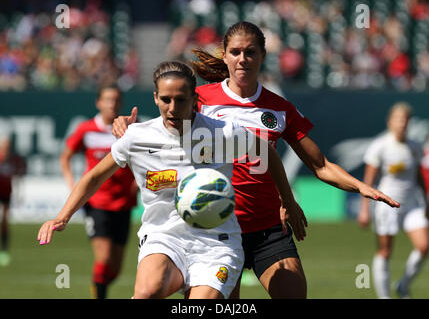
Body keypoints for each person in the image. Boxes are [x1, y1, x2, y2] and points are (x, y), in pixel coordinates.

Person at [112, 21, 400, 299]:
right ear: (223, 55)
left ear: (262, 56)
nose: (243, 59)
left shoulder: (279, 108)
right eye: (235, 52)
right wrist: (125, 125)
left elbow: (320, 165)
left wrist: (360, 186)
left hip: (268, 228)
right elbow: (160, 129)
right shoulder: (198, 98)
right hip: (215, 229)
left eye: (250, 52)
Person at [38, 61, 304, 299]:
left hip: (216, 243)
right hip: (163, 236)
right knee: (147, 291)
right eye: (166, 99)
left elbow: (266, 151)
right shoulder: (137, 136)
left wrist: (288, 200)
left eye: (181, 100)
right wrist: (62, 216)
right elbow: (95, 175)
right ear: (155, 98)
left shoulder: (222, 133)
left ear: (194, 99)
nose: (173, 108)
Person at [59, 85, 137, 299]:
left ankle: (98, 286)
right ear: (98, 103)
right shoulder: (86, 129)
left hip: (124, 203)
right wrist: (72, 183)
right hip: (97, 203)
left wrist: (138, 183)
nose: (111, 104)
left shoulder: (131, 129)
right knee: (103, 259)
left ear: (120, 103)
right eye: (107, 99)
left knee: (116, 268)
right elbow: (65, 156)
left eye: (116, 100)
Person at [358, 102, 429, 299]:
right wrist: (364, 209)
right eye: (398, 119)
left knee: (424, 246)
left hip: (412, 205)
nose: (402, 124)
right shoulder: (380, 146)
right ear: (390, 122)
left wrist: (426, 201)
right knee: (385, 251)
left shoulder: (415, 146)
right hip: (387, 205)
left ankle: (403, 285)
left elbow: (418, 178)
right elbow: (368, 180)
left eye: (405, 120)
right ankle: (384, 297)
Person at [0, 136, 26, 266]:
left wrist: (19, 194)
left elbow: (18, 177)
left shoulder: (13, 160)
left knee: (4, 221)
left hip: (6, 193)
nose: (6, 148)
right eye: (4, 146)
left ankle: (4, 250)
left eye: (7, 146)